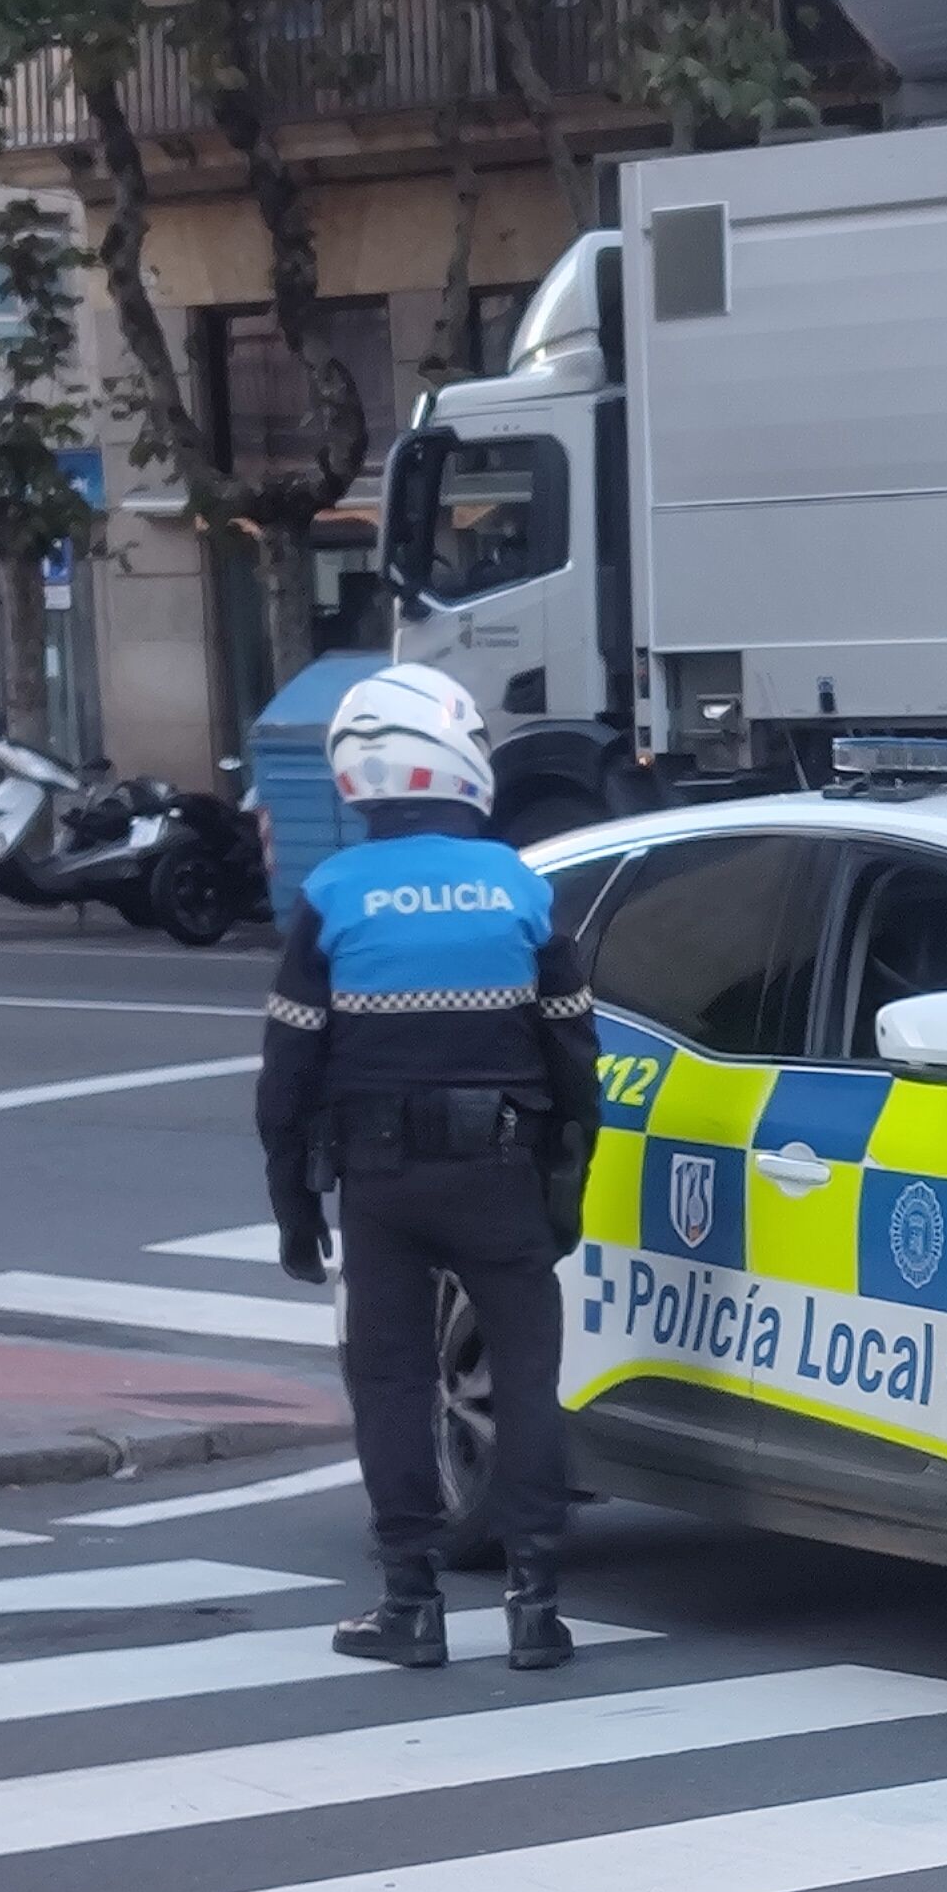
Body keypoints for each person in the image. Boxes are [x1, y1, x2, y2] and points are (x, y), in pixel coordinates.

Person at [255, 664, 600, 1671]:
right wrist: (563, 1184)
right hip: (502, 1174)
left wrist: (290, 1203)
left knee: (393, 1383)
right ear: (458, 760)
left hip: (381, 1182)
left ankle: (411, 1604)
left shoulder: (329, 894)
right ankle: (535, 1606)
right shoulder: (519, 888)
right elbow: (576, 1060)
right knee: (529, 1380)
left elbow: (290, 1067)